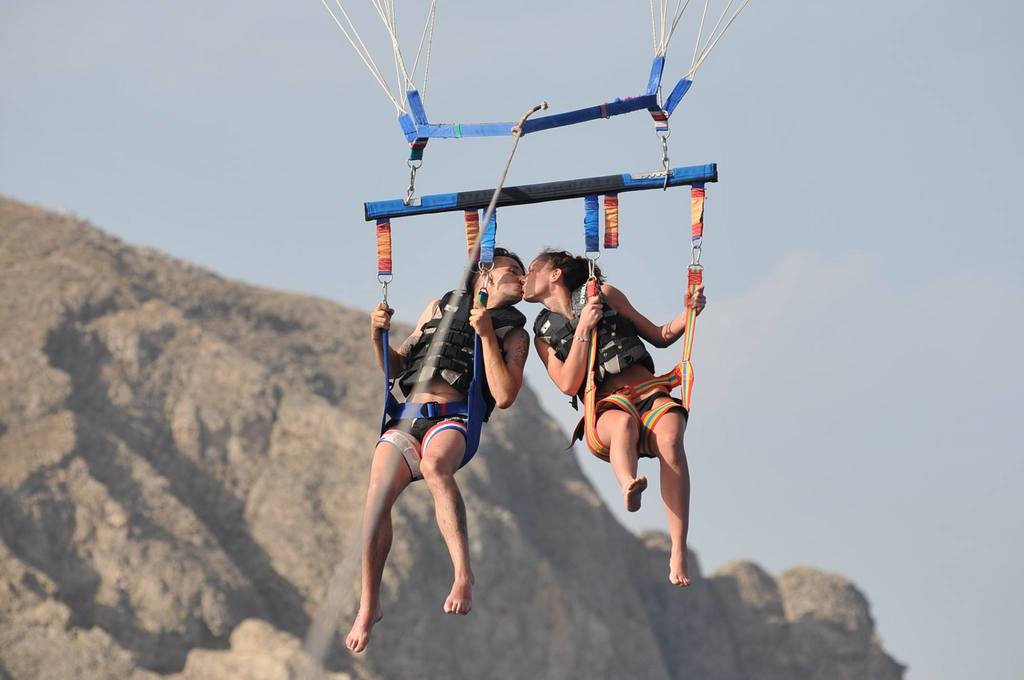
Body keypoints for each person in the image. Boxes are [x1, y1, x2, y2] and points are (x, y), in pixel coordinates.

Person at [345, 248, 530, 653]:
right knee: (376, 497)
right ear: (485, 273)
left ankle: (463, 574)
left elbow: (504, 395)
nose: (522, 277)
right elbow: (396, 367)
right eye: (513, 270)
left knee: (434, 467)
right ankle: (368, 602)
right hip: (407, 418)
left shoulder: (514, 333)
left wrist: (485, 334)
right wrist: (377, 335)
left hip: (453, 418)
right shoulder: (439, 307)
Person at [523, 249, 706, 587]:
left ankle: (677, 549)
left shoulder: (604, 295)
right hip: (606, 404)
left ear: (555, 274)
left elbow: (660, 335)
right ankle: (628, 484)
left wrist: (689, 312)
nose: (524, 276)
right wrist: (584, 329)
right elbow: (567, 384)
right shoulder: (543, 335)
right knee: (621, 425)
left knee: (671, 440)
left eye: (532, 269)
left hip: (650, 391)